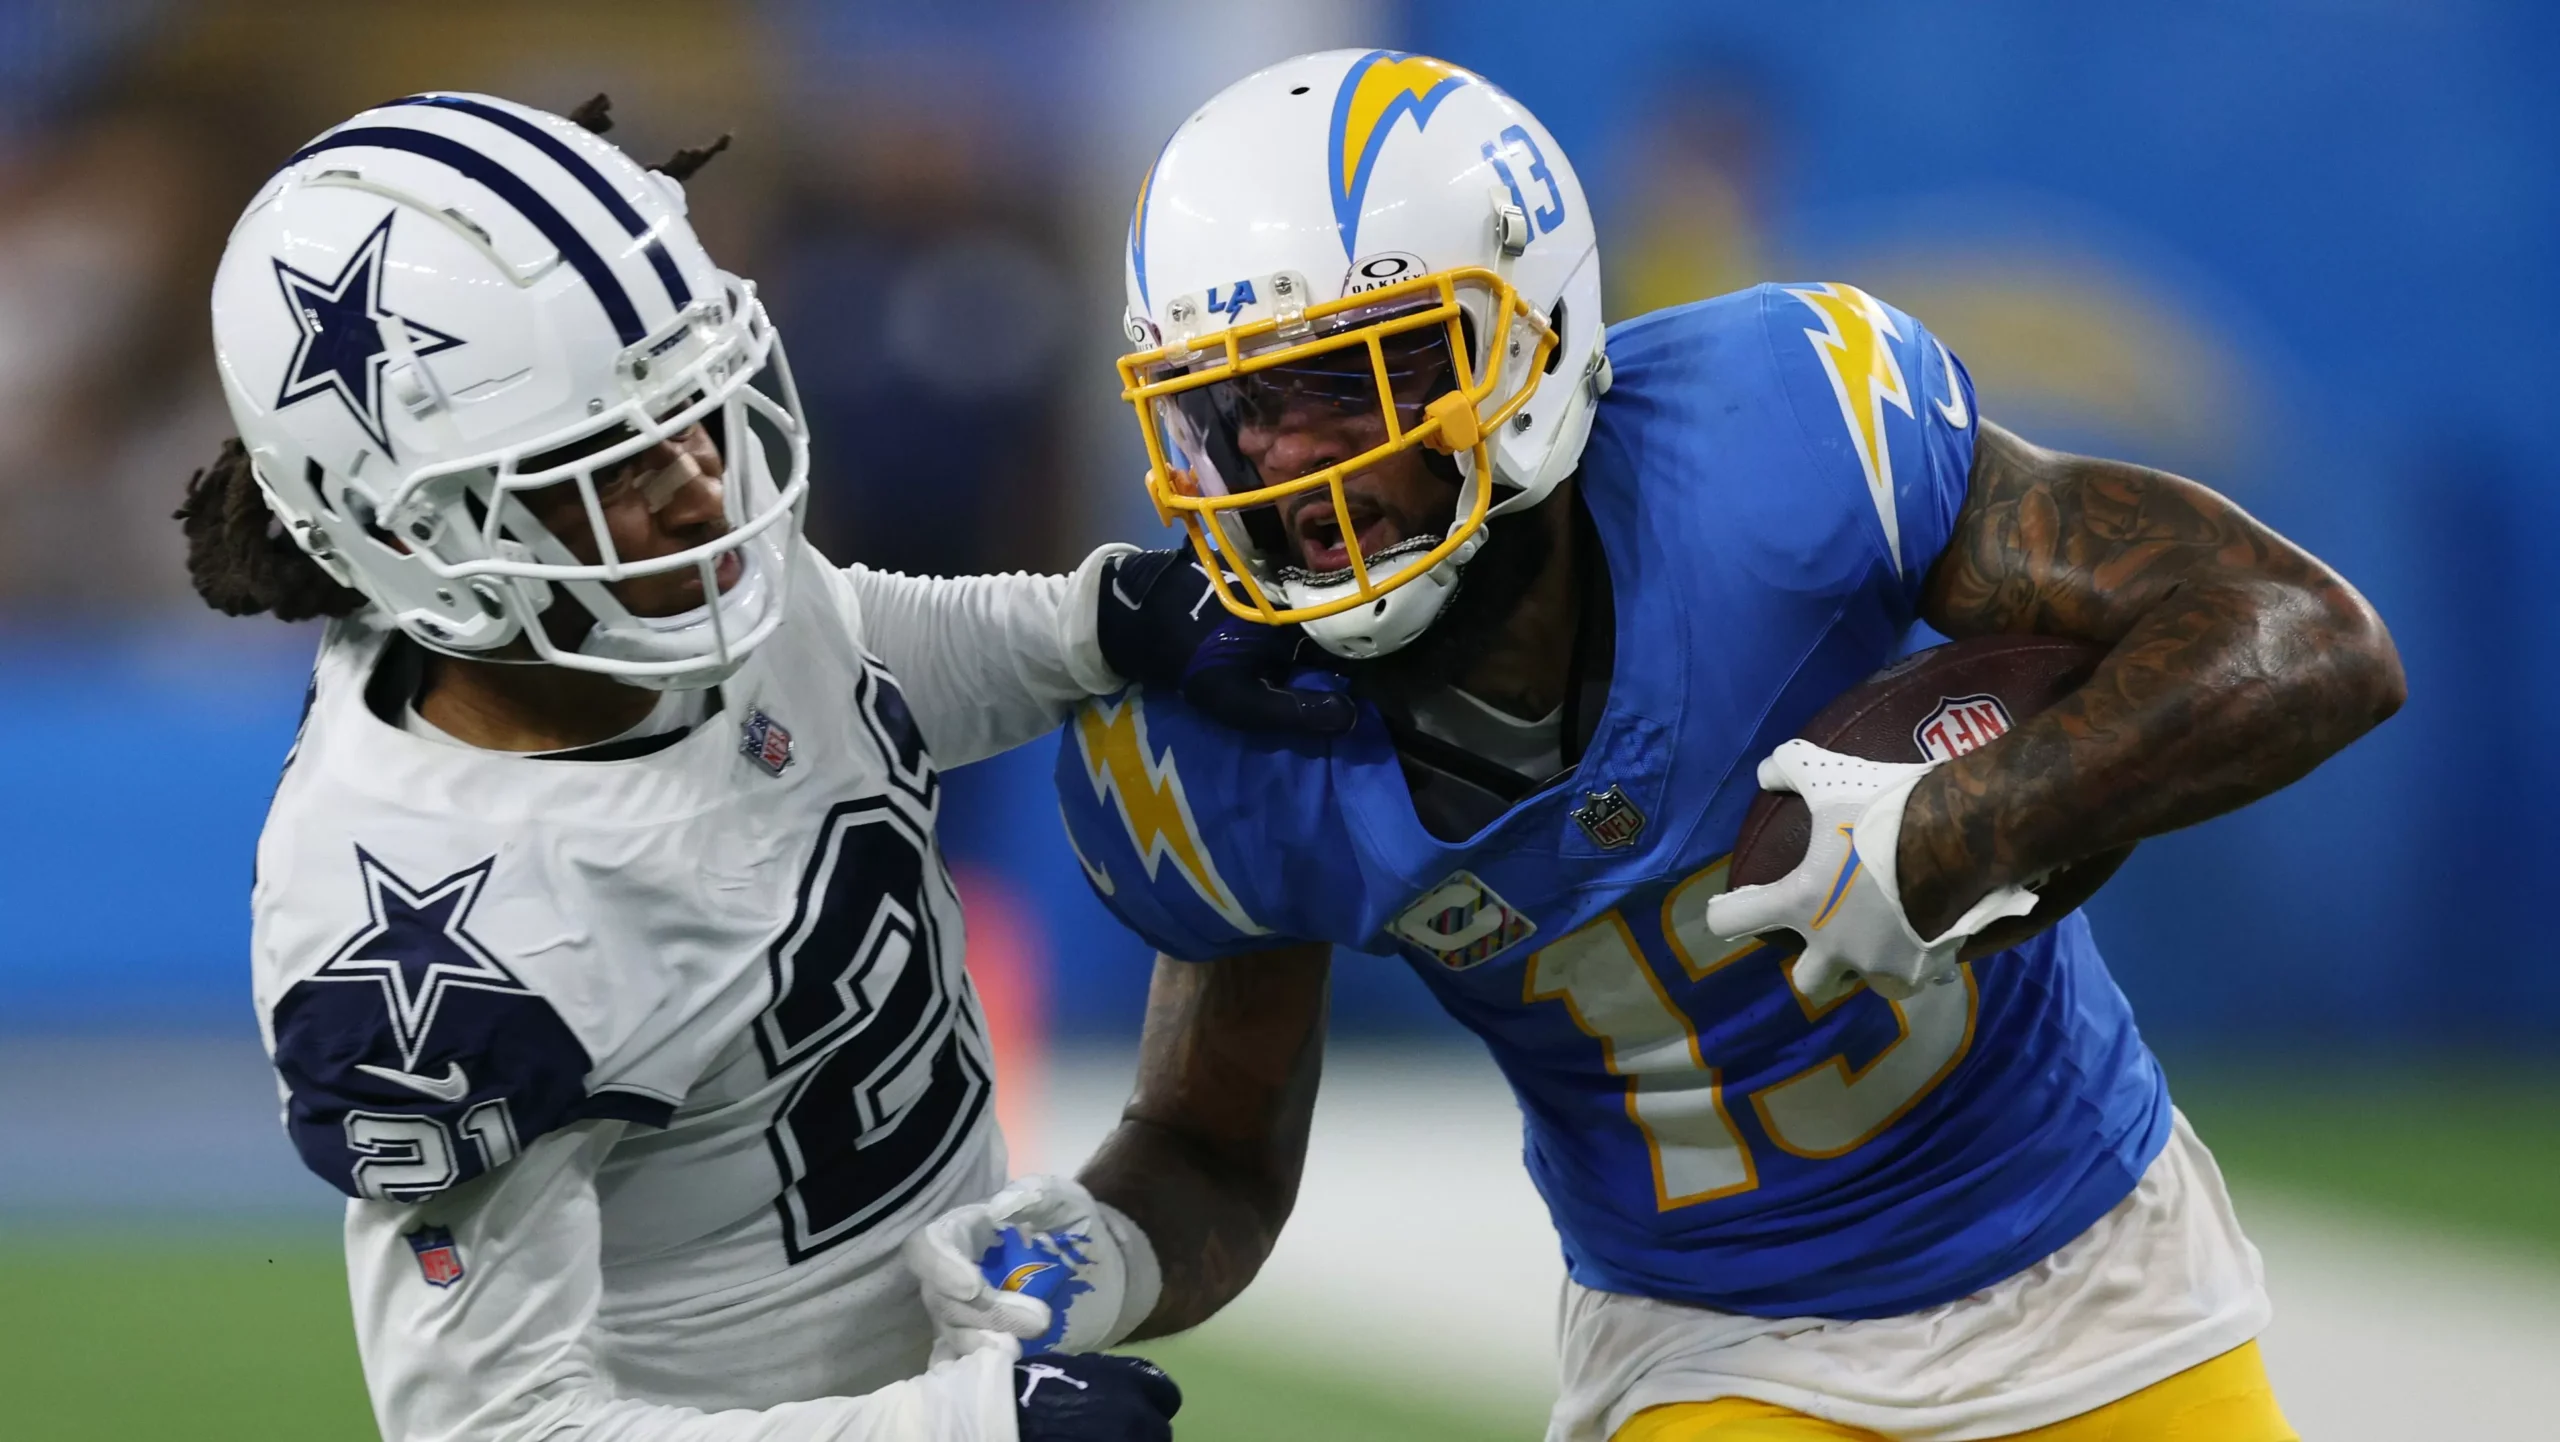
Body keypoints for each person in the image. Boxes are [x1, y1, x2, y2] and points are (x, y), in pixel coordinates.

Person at [904, 49, 2405, 1442]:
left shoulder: (1776, 441)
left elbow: (2305, 635)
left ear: (1530, 340)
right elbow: (1213, 1148)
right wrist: (1098, 1250)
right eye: (1238, 406)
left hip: (2093, 1261)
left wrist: (1967, 824)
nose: (1290, 460)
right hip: (1714, 1345)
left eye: (1352, 380)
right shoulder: (1210, 736)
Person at [187, 90, 1321, 1442]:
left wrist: (1095, 621)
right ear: (410, 533)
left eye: (690, 405)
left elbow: (850, 650)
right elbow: (493, 1429)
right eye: (602, 464)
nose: (698, 485)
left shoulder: (621, 598)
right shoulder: (438, 928)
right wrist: (956, 1430)